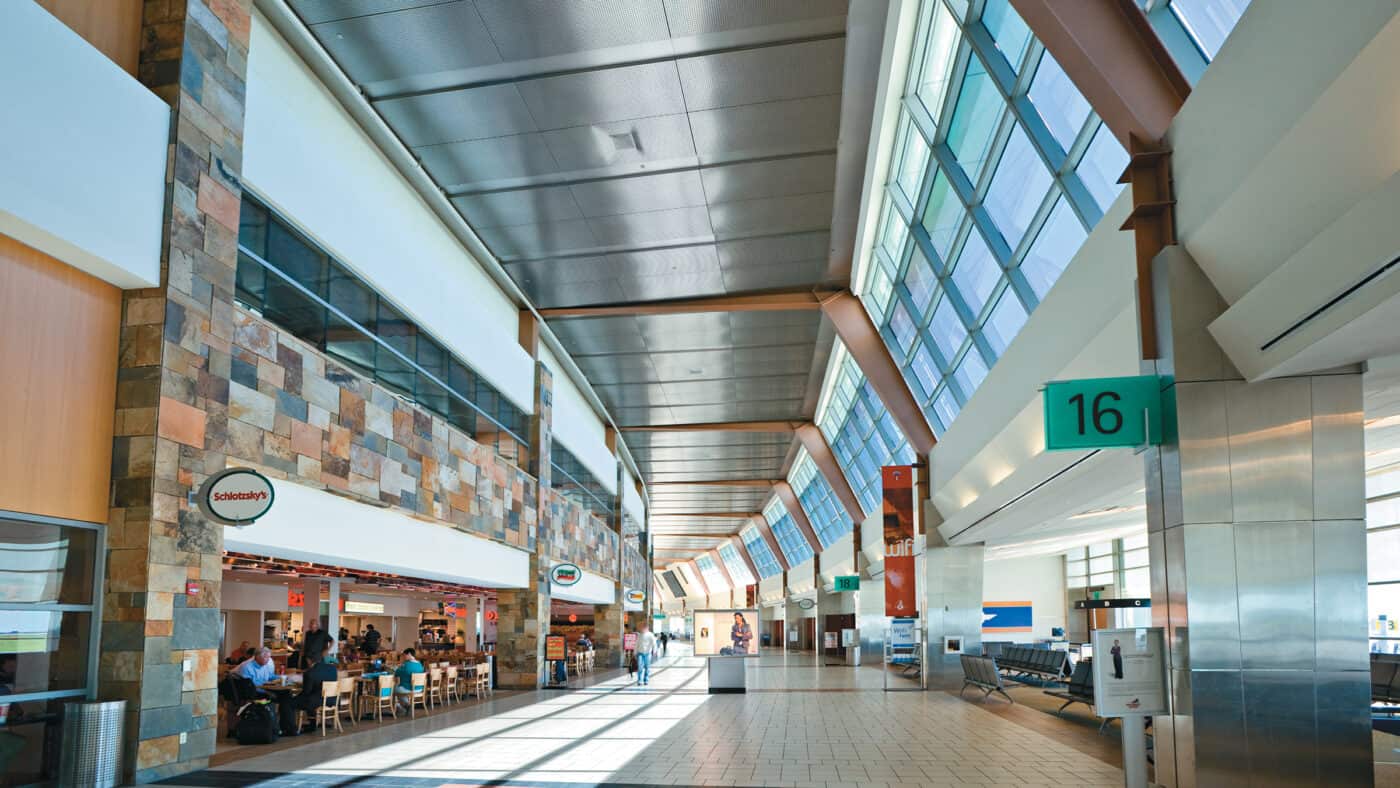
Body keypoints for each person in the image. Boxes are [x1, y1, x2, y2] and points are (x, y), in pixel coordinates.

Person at [291, 645, 338, 731]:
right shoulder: (333, 669)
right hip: (332, 699)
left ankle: (292, 728)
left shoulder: (309, 672)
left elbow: (306, 692)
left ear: (309, 660)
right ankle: (312, 724)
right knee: (311, 697)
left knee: (290, 703)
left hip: (317, 701)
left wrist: (296, 696)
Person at [393, 648, 426, 712]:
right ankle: (405, 704)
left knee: (393, 688)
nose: (404, 657)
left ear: (409, 654)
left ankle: (401, 706)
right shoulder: (420, 664)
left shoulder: (407, 665)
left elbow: (397, 673)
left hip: (409, 688)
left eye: (405, 655)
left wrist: (397, 668)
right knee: (398, 689)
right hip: (419, 689)